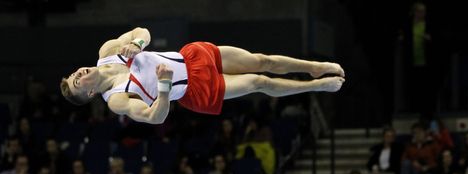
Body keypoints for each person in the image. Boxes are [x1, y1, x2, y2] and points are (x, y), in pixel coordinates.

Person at [60, 27, 344, 123]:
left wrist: (137, 44)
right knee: (259, 82)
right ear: (90, 93)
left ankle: (313, 67)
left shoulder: (108, 51)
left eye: (74, 72)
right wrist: (163, 87)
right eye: (77, 80)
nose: (80, 72)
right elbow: (154, 117)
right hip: (194, 88)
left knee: (262, 60)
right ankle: (316, 87)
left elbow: (141, 31)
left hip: (193, 57)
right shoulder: (117, 100)